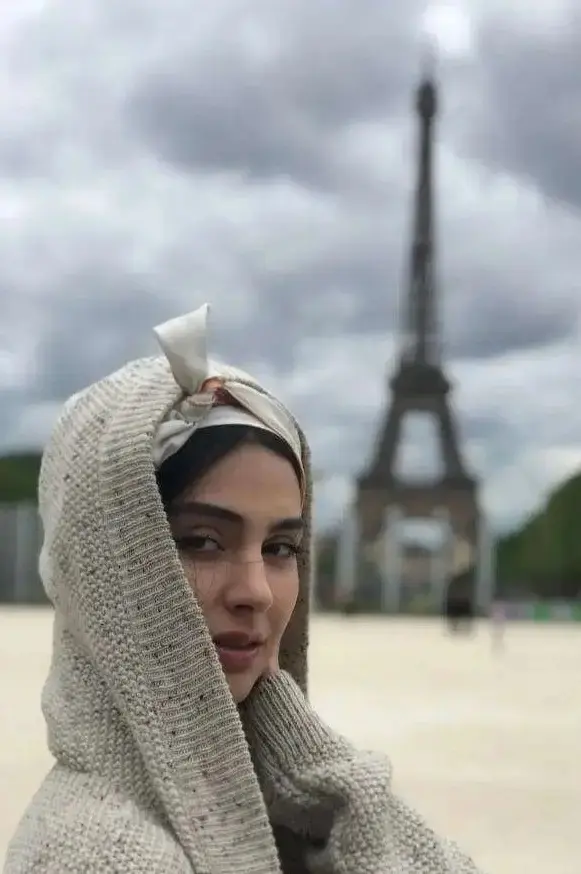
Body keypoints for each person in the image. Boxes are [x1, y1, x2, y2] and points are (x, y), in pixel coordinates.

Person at [4, 305, 483, 873]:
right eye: (202, 541)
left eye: (281, 547)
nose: (257, 592)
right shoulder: (111, 858)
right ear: (105, 564)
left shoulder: (202, 809)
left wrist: (293, 743)